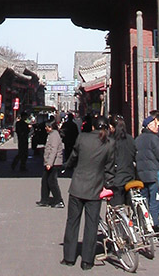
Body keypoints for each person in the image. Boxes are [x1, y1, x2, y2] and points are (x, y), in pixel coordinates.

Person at [62, 115, 115, 269]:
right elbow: (109, 168)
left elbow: (74, 156)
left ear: (92, 127)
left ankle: (69, 258)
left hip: (78, 185)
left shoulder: (82, 138)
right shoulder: (110, 143)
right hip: (95, 188)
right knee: (91, 225)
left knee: (72, 222)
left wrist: (67, 166)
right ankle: (87, 261)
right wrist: (108, 185)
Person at [135, 115, 159, 229]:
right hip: (154, 174)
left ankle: (144, 225)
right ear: (149, 126)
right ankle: (154, 226)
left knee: (145, 201)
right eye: (154, 124)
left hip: (141, 175)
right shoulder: (154, 139)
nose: (157, 126)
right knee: (155, 201)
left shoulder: (138, 139)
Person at [37, 118, 64, 208]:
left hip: (54, 163)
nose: (46, 128)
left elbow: (54, 150)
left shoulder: (54, 135)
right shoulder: (51, 134)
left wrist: (50, 163)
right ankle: (45, 199)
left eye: (47, 127)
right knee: (45, 181)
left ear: (51, 127)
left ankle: (59, 200)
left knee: (52, 182)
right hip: (50, 162)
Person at [109, 116, 137, 207]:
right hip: (130, 176)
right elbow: (134, 155)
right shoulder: (130, 139)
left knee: (117, 208)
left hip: (117, 178)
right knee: (131, 204)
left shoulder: (112, 141)